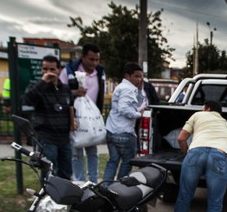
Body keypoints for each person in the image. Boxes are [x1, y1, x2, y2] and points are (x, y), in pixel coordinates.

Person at [169, 100, 227, 212]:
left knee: (184, 197)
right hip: (218, 155)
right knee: (215, 204)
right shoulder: (225, 123)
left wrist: (186, 155)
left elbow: (181, 138)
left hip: (195, 153)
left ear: (206, 109)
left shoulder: (198, 115)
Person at [60, 43, 106, 183]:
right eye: (91, 59)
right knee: (76, 150)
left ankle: (93, 181)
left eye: (97, 59)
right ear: (83, 57)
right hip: (75, 116)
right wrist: (74, 93)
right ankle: (79, 181)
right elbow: (60, 92)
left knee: (92, 150)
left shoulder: (100, 72)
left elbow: (101, 94)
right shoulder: (69, 71)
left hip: (92, 117)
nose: (94, 63)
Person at [23, 55, 74, 180]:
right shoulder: (37, 87)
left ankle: (64, 196)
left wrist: (74, 120)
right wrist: (43, 82)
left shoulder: (65, 89)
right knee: (48, 171)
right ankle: (48, 196)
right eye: (45, 69)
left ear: (59, 69)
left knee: (66, 171)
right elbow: (28, 100)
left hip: (64, 137)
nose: (48, 73)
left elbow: (71, 107)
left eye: (52, 69)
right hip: (46, 137)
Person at [103, 63, 146, 185]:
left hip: (112, 131)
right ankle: (118, 189)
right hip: (124, 132)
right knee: (127, 162)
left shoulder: (121, 87)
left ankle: (105, 188)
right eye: (136, 76)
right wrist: (139, 115)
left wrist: (140, 89)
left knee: (113, 161)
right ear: (128, 76)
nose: (139, 79)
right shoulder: (127, 89)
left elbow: (136, 102)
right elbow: (124, 109)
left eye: (141, 76)